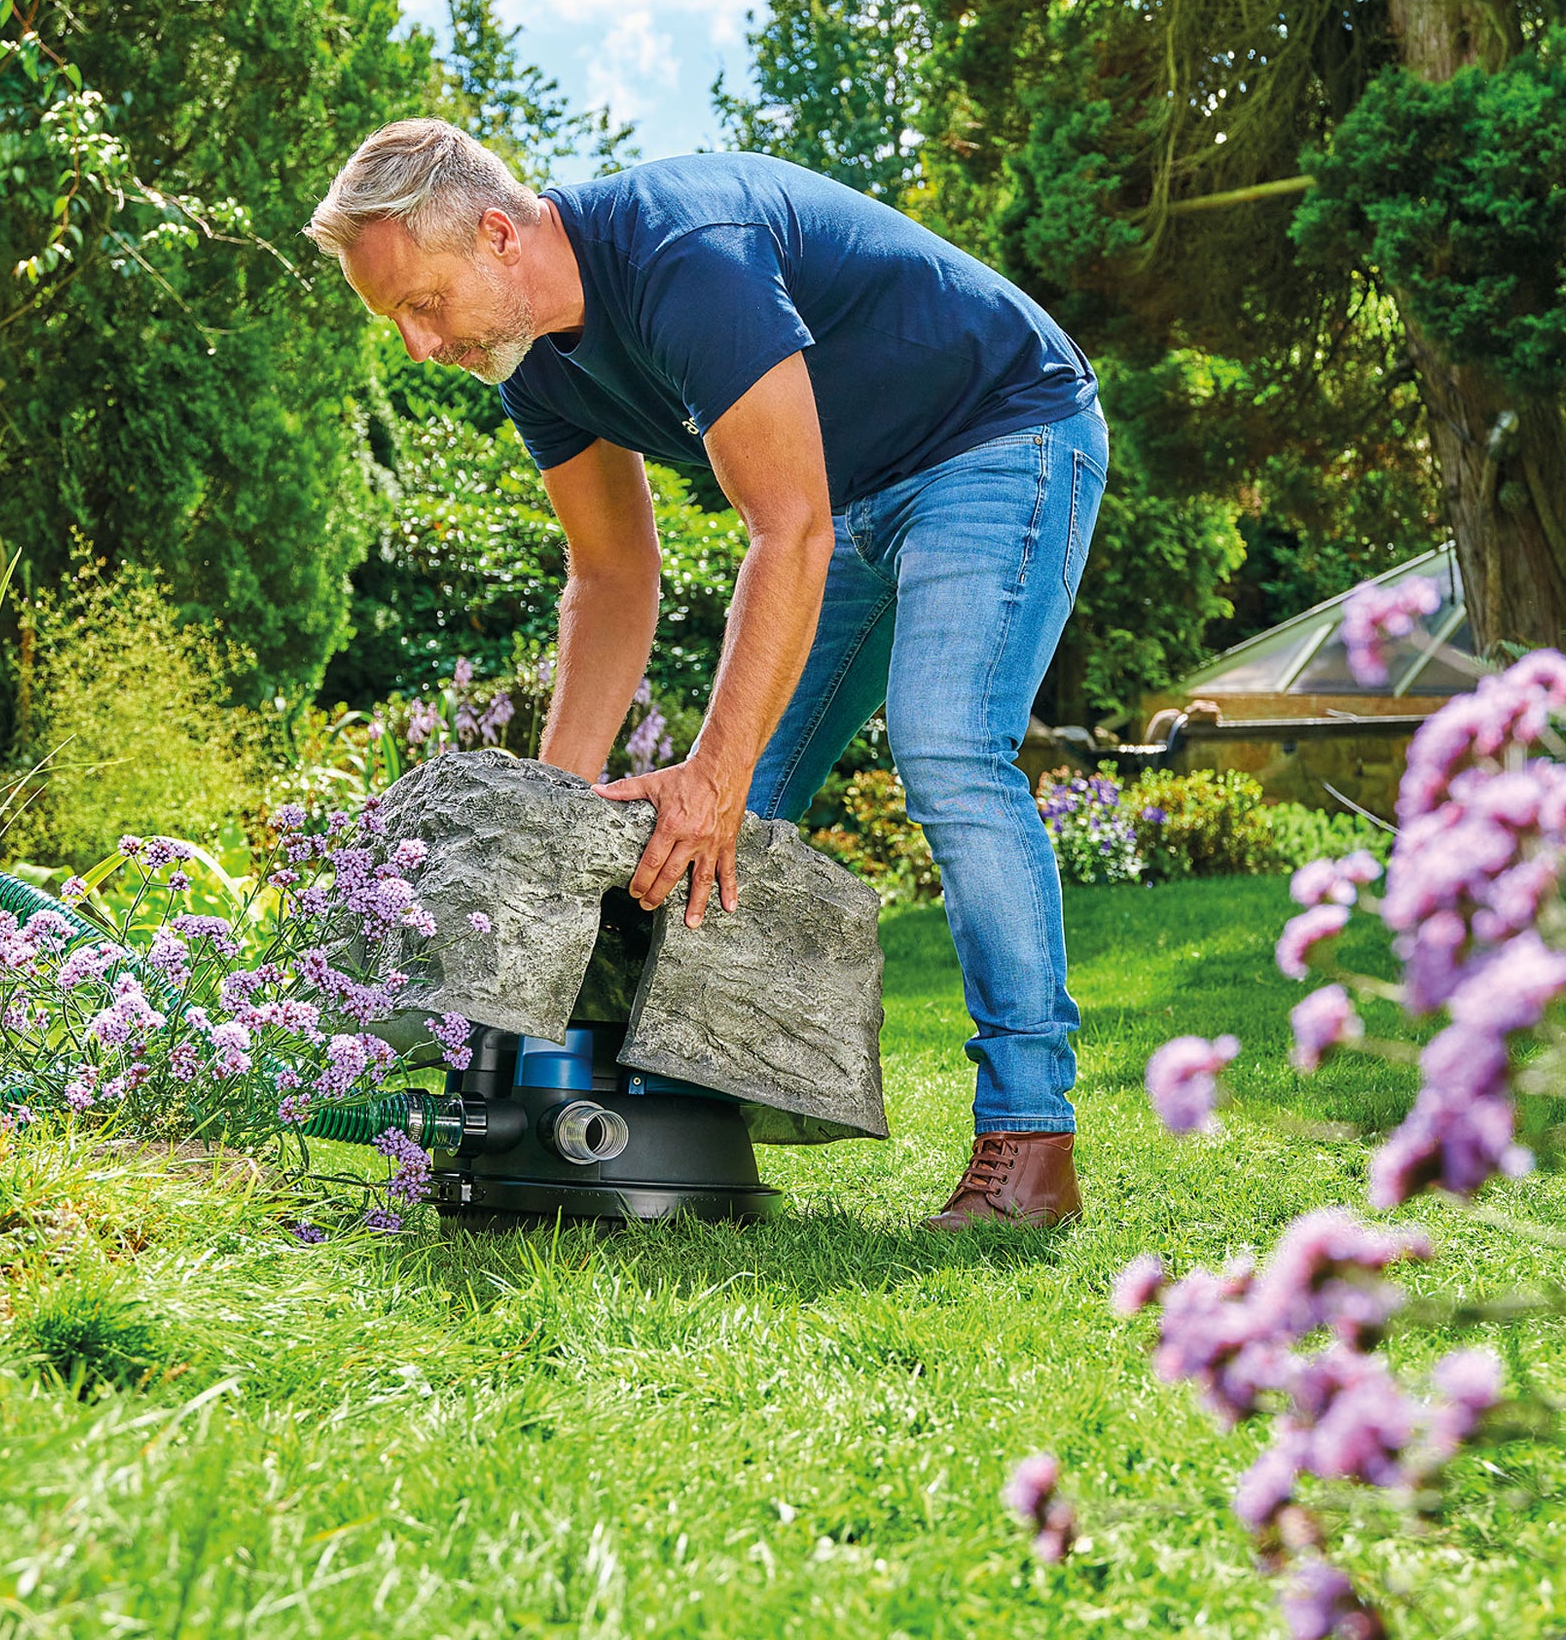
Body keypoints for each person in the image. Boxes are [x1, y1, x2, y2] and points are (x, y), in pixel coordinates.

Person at [304, 119, 1106, 1229]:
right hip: (850, 494)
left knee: (947, 750)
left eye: (421, 304)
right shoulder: (534, 361)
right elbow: (613, 579)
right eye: (393, 318)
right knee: (721, 828)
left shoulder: (688, 255)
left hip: (995, 432)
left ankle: (1029, 1141)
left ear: (496, 233)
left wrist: (711, 769)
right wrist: (550, 820)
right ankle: (683, 1115)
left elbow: (787, 528)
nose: (414, 344)